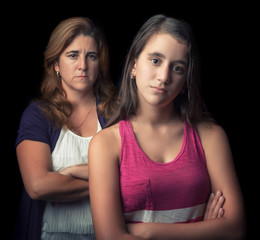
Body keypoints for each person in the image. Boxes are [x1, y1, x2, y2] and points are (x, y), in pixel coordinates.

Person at [88, 14, 246, 239]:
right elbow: (111, 237)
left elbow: (235, 229)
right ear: (133, 65)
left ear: (185, 82)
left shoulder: (210, 136)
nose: (164, 77)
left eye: (178, 68)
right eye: (155, 60)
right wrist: (205, 231)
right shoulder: (106, 144)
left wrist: (147, 231)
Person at [13, 17, 116, 240]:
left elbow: (140, 174)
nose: (83, 65)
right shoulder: (38, 115)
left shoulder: (116, 114)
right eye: (73, 55)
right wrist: (109, 182)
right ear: (56, 65)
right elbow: (38, 186)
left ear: (100, 65)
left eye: (92, 56)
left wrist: (68, 176)